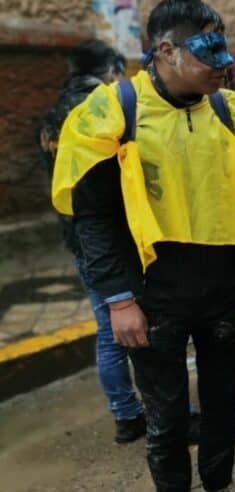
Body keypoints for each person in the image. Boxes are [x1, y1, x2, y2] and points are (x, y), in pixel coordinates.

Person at [50, 1, 235, 490]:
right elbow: (93, 216)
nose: (225, 63)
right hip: (153, 298)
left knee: (222, 410)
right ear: (168, 51)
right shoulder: (113, 111)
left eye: (225, 47)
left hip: (224, 292)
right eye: (210, 49)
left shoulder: (230, 111)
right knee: (167, 420)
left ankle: (218, 485)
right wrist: (119, 300)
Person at [38, 39, 148, 444]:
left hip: (78, 234)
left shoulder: (52, 116)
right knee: (140, 324)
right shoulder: (101, 107)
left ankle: (125, 415)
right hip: (114, 233)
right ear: (111, 68)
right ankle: (161, 412)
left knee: (108, 329)